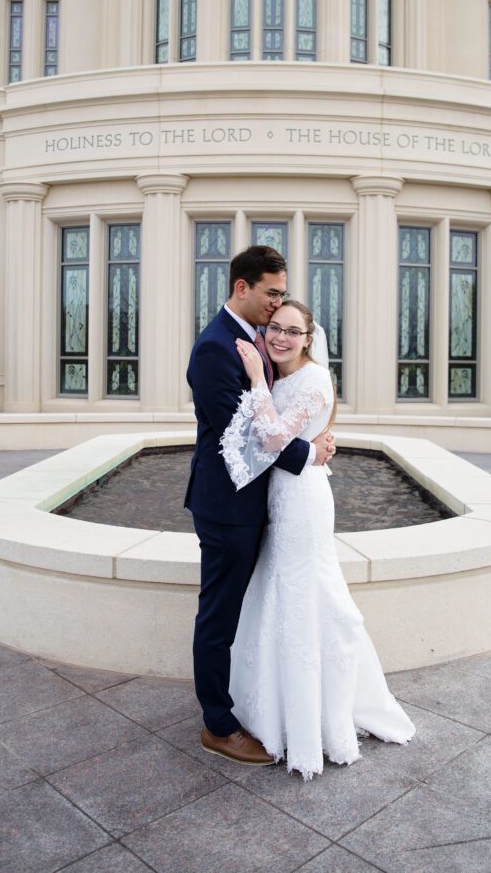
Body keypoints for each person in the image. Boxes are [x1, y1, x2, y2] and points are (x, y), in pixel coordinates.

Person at [220, 300, 416, 779]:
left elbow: (271, 439)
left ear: (310, 338)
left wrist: (259, 383)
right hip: (281, 497)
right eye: (274, 328)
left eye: (292, 331)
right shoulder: (284, 377)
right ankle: (278, 708)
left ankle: (315, 721)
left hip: (303, 502)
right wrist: (310, 441)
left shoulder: (310, 379)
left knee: (306, 595)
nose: (280, 337)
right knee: (282, 594)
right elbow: (286, 440)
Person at [185, 245, 335, 766]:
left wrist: (315, 437)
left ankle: (250, 703)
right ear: (241, 288)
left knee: (246, 612)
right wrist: (310, 453)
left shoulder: (254, 342)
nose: (278, 306)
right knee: (218, 617)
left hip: (261, 503)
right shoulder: (214, 349)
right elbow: (245, 434)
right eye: (271, 293)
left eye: (282, 295)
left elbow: (281, 410)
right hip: (227, 507)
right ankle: (217, 725)